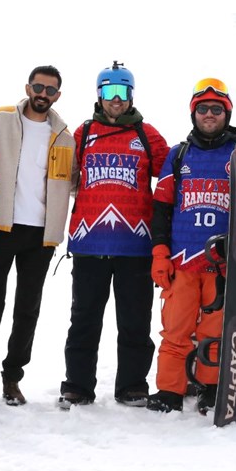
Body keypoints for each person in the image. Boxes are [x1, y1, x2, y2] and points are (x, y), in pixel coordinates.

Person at [146, 78, 236, 413]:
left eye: (216, 109)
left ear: (227, 114)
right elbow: (162, 207)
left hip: (222, 263)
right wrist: (159, 251)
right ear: (193, 113)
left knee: (215, 331)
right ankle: (170, 389)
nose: (209, 114)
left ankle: (212, 387)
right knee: (176, 329)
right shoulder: (178, 154)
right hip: (182, 260)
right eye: (203, 109)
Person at [57, 62, 169, 409]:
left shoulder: (146, 135)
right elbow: (63, 176)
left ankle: (133, 385)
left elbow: (171, 178)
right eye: (109, 92)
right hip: (90, 243)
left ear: (131, 95)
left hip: (135, 245)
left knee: (135, 320)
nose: (116, 100)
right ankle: (77, 385)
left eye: (122, 92)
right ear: (99, 95)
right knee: (84, 319)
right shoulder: (83, 132)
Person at [0, 65, 76, 407]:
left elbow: (73, 181)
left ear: (57, 95)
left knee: (27, 309)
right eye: (38, 86)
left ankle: (12, 377)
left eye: (50, 90)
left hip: (41, 234)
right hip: (1, 226)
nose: (42, 94)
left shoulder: (64, 135)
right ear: (28, 87)